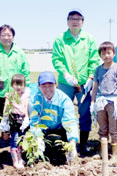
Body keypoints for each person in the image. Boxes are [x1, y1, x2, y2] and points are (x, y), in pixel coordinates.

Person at [52, 8, 100, 156]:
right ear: (67, 22)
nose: (75, 21)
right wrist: (65, 74)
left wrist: (91, 78)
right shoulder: (60, 39)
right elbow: (56, 59)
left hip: (84, 83)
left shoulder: (89, 39)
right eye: (72, 19)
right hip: (65, 82)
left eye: (78, 19)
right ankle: (65, 142)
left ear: (82, 22)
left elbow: (94, 59)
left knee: (84, 112)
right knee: (61, 110)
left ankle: (83, 143)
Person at [30, 71, 79, 163]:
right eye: (44, 86)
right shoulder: (35, 100)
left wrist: (72, 142)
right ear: (38, 86)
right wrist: (38, 138)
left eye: (50, 85)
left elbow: (70, 121)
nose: (47, 89)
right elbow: (34, 121)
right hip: (43, 129)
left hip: (60, 128)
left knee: (61, 152)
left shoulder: (64, 99)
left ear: (56, 84)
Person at [0, 24, 30, 120]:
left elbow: (25, 71)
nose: (6, 38)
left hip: (16, 92)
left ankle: (12, 135)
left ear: (13, 36)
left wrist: (26, 87)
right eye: (3, 35)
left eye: (9, 35)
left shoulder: (19, 52)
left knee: (15, 118)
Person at [91, 42, 117, 161]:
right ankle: (102, 151)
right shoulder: (98, 70)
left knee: (114, 128)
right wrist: (93, 101)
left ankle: (115, 154)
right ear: (100, 56)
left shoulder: (116, 68)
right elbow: (95, 86)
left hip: (113, 101)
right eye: (103, 53)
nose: (106, 56)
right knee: (102, 127)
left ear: (114, 53)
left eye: (109, 53)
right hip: (101, 101)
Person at [2, 74, 30, 169]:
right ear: (12, 85)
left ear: (24, 85)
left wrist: (27, 117)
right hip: (14, 119)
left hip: (22, 120)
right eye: (16, 84)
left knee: (21, 140)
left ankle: (20, 158)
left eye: (21, 85)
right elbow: (6, 107)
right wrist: (4, 119)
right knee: (15, 139)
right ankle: (15, 161)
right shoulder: (10, 95)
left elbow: (26, 107)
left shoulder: (25, 95)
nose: (18, 87)